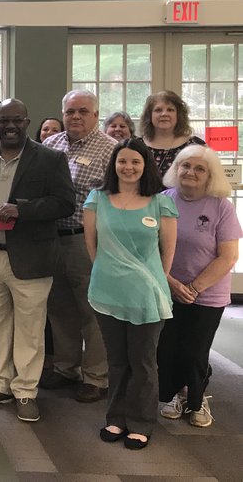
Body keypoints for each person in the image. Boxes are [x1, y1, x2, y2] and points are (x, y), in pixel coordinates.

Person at [0, 99, 74, 422]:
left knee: (30, 328)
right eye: (2, 121)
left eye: (16, 120)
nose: (9, 126)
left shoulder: (50, 159)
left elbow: (64, 203)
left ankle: (25, 390)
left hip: (31, 258)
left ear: (26, 122)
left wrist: (23, 210)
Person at [84, 137, 176, 449]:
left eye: (136, 161)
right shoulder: (97, 198)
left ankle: (141, 422)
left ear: (145, 165)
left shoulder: (160, 202)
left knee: (143, 362)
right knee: (117, 361)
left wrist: (148, 280)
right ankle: (116, 418)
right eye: (122, 161)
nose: (128, 167)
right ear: (114, 164)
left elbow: (167, 254)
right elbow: (92, 247)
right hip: (107, 292)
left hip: (147, 294)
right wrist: (110, 273)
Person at [40, 90, 116, 403]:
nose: (75, 117)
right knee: (59, 307)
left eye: (83, 111)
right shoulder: (50, 145)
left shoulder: (110, 149)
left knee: (91, 309)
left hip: (86, 240)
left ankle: (96, 376)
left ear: (96, 115)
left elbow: (116, 199)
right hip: (50, 239)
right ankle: (65, 367)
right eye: (70, 111)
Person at [158, 145, 241, 428]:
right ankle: (175, 394)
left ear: (210, 174)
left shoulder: (220, 206)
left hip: (207, 294)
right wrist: (171, 283)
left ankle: (197, 398)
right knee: (168, 348)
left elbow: (228, 256)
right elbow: (152, 248)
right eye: (185, 165)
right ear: (176, 168)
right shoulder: (164, 200)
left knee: (194, 351)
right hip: (167, 288)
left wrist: (193, 288)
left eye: (199, 168)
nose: (190, 172)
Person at [140, 90, 204, 176]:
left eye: (170, 110)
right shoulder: (137, 146)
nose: (164, 114)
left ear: (179, 115)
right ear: (149, 116)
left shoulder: (196, 145)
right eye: (158, 110)